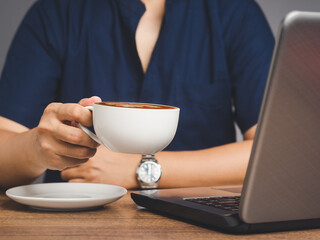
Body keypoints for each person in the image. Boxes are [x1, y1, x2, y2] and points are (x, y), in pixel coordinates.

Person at [0, 0, 274, 189]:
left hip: (201, 223)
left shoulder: (235, 12)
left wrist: (137, 169)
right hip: (78, 220)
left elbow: (272, 153)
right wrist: (39, 148)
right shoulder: (56, 12)